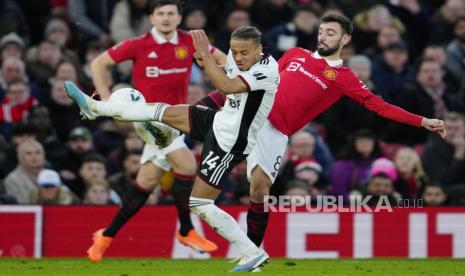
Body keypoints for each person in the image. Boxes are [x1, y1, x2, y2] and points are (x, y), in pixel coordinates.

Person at [67, 14, 446, 268]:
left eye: (332, 33)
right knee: (174, 118)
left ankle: (251, 255)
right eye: (322, 30)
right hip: (244, 120)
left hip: (276, 133)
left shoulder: (344, 77)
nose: (323, 36)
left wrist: (421, 120)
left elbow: (378, 106)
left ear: (345, 39)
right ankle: (103, 111)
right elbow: (250, 90)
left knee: (259, 190)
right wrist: (210, 104)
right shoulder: (294, 56)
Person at [66, 24, 278, 272]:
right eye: (235, 52)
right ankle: (96, 109)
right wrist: (207, 62)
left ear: (259, 49)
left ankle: (251, 252)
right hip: (217, 120)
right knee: (159, 111)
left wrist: (207, 58)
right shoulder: (237, 58)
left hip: (230, 141)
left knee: (199, 203)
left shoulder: (269, 70)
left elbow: (228, 86)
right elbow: (227, 74)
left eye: (244, 53)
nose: (238, 57)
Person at [86, 0, 226, 262]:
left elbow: (225, 60)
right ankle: (186, 230)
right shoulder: (138, 44)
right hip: (148, 119)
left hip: (178, 119)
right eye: (160, 13)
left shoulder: (189, 41)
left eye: (170, 13)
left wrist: (231, 74)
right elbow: (98, 64)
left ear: (178, 17)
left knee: (147, 182)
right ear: (151, 18)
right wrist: (105, 101)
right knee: (186, 167)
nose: (165, 18)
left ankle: (105, 235)